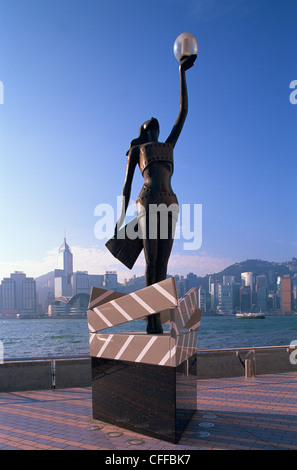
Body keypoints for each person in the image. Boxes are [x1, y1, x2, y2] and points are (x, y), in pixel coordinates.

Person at [108, 54, 196, 334]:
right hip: (147, 203)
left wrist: (181, 72)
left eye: (156, 126)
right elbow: (126, 186)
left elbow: (182, 114)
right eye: (150, 126)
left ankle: (157, 314)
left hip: (170, 203)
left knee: (163, 263)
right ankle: (151, 319)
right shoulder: (137, 150)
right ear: (144, 132)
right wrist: (119, 220)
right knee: (151, 260)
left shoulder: (169, 145)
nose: (155, 127)